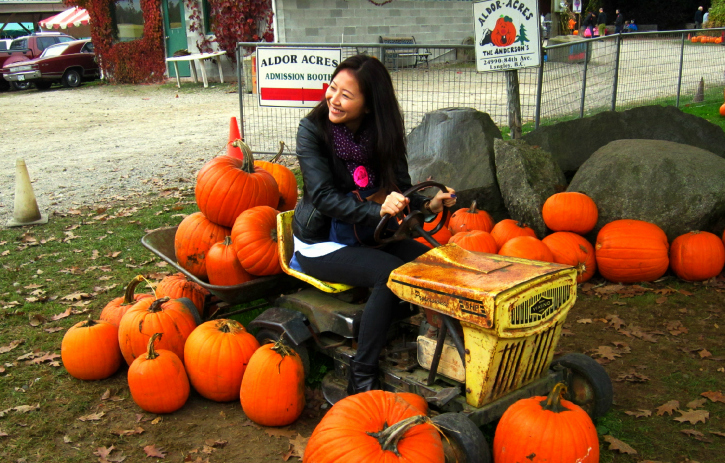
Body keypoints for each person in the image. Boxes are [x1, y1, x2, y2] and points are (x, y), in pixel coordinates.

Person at [291, 54, 457, 395]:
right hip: (323, 241)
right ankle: (361, 374)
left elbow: (400, 190)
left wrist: (428, 204)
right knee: (387, 275)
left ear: (369, 105)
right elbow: (322, 196)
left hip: (369, 233)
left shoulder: (384, 133)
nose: (334, 99)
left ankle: (447, 346)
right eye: (333, 88)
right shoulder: (312, 131)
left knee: (431, 263)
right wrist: (378, 211)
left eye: (346, 95)